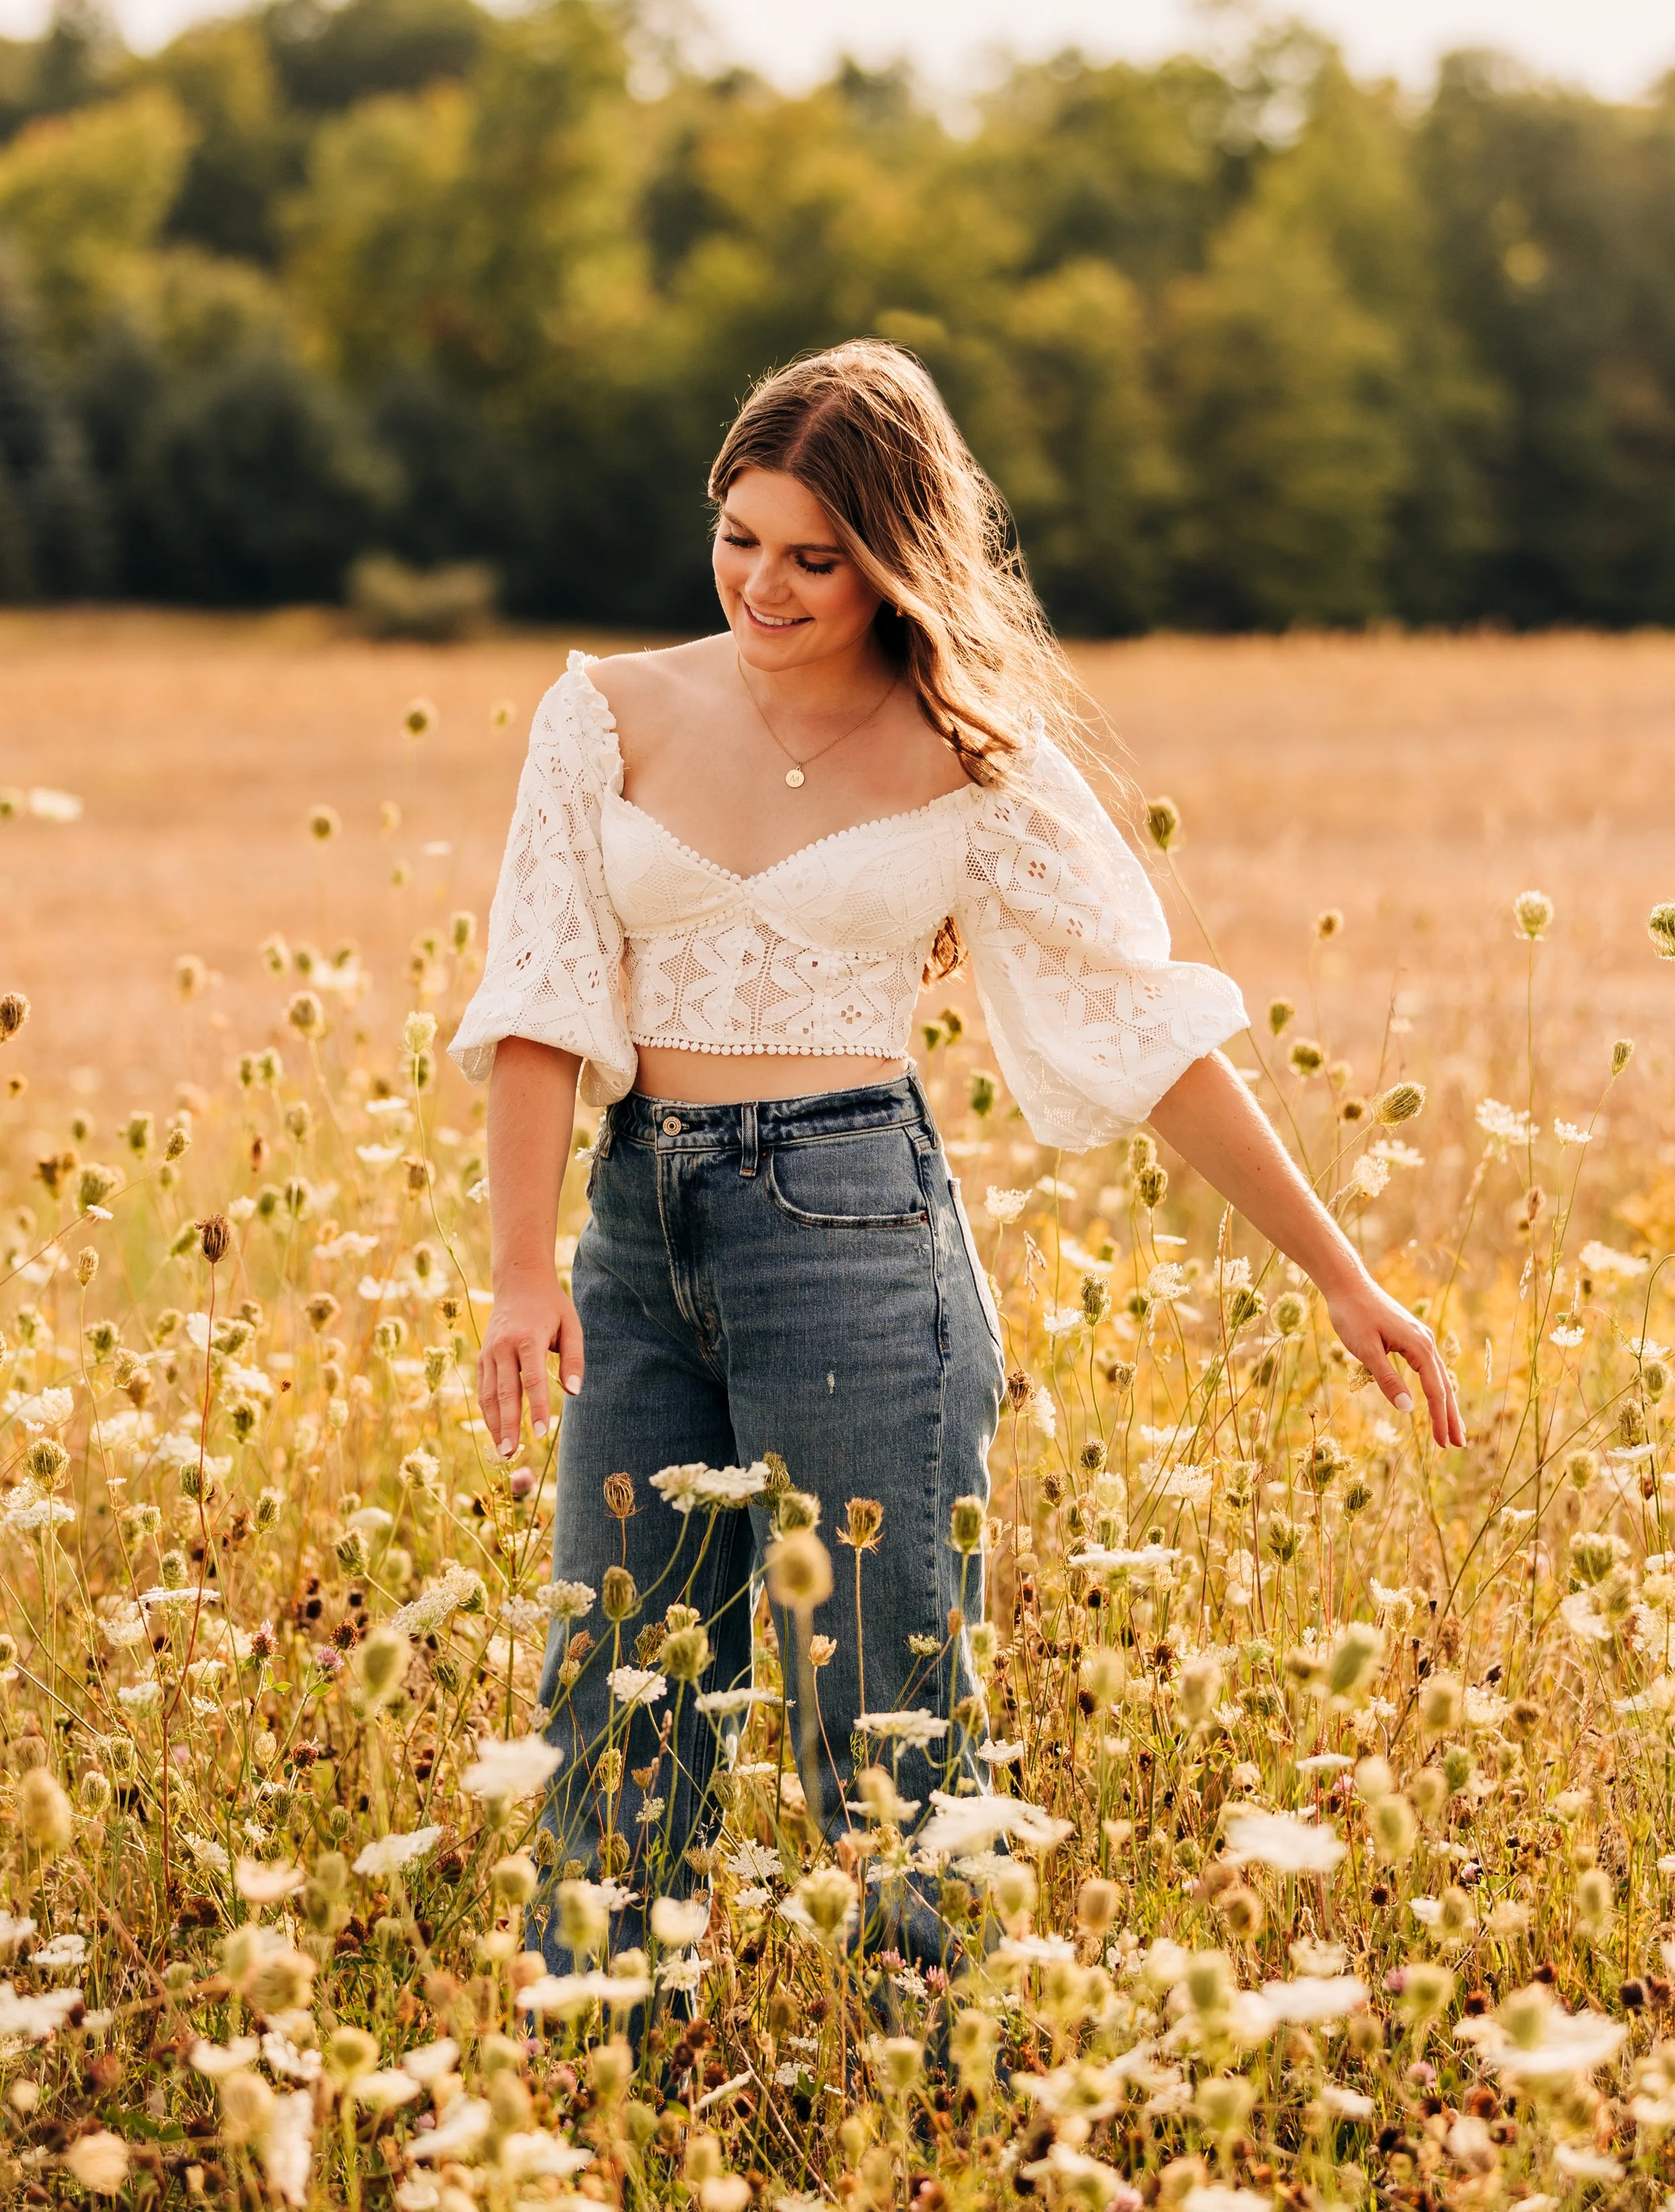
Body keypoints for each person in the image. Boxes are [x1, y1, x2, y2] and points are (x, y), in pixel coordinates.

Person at [449, 340, 1463, 1951]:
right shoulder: (604, 711)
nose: (761, 585)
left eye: (814, 556)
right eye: (739, 534)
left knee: (886, 1717)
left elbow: (1144, 1028)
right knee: (618, 1700)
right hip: (636, 1235)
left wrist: (1341, 1276)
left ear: (891, 560)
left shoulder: (967, 751)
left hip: (852, 1237)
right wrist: (519, 1274)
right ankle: (595, 2101)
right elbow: (538, 1001)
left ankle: (940, 2092)